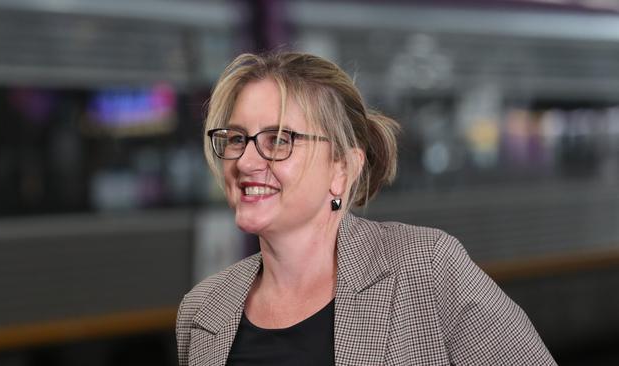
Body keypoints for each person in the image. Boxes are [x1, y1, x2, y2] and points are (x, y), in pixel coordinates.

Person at [176, 51, 556, 365]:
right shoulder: (203, 309)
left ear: (342, 169)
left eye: (278, 140)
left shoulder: (426, 268)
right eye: (237, 138)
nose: (244, 161)